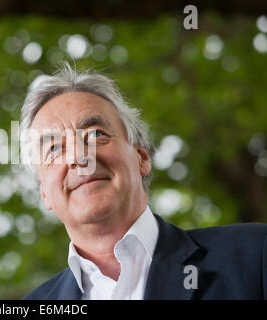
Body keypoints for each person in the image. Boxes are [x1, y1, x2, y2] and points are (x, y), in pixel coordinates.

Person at [19, 63, 267, 300]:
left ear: (141, 157)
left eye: (96, 134)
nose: (79, 157)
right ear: (44, 194)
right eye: (53, 149)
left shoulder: (255, 254)